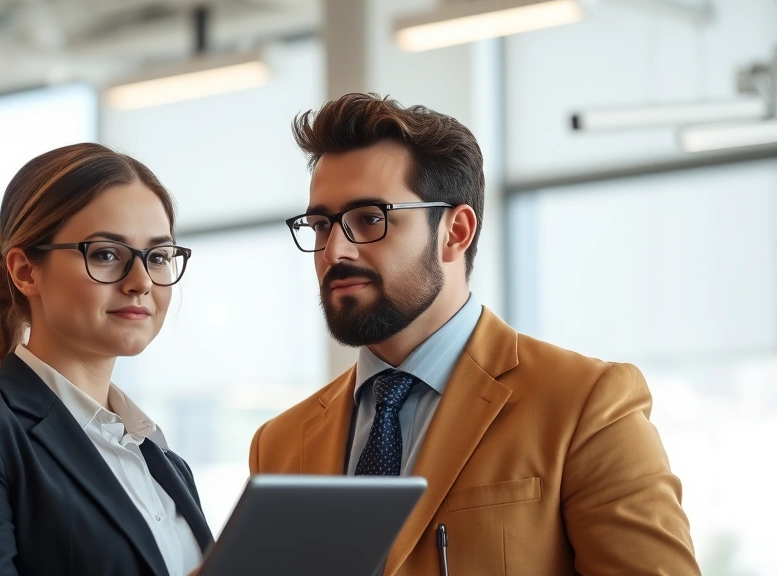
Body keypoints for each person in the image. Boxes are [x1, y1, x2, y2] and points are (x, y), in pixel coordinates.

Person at [249, 94, 700, 575]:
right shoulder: (279, 444)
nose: (334, 250)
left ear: (455, 231)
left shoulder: (584, 405)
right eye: (321, 224)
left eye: (369, 219)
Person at [0, 143, 212, 576]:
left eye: (157, 257)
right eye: (106, 254)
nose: (140, 282)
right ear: (25, 271)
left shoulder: (164, 463)